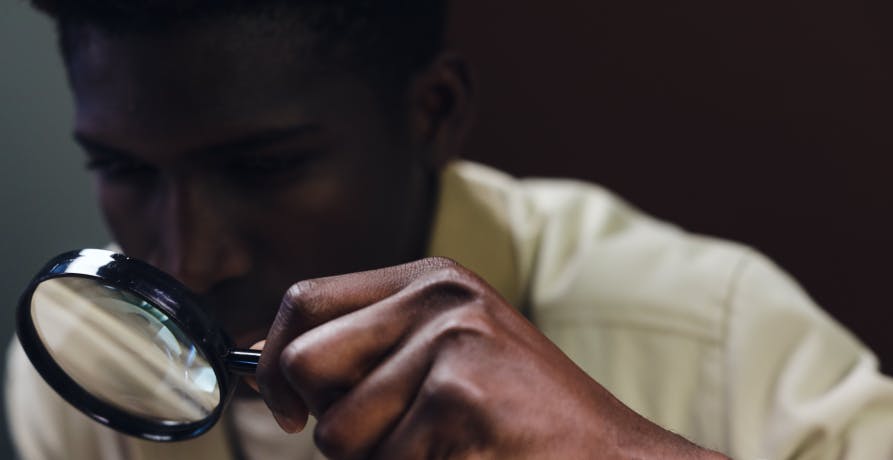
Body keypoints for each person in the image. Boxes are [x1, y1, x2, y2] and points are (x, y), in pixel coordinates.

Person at [5, 1, 893, 459]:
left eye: (264, 168)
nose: (189, 259)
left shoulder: (716, 331)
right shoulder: (95, 361)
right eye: (123, 170)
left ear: (433, 112)